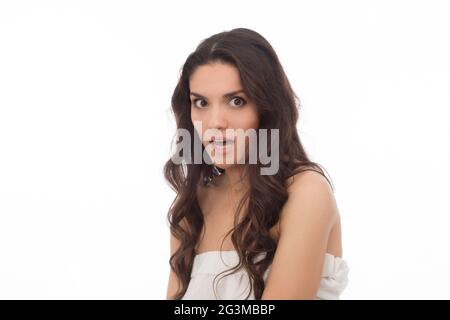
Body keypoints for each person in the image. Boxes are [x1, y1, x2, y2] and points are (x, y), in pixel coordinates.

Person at [164, 28, 349, 300]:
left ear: (267, 107)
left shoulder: (306, 193)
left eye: (236, 101)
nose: (215, 122)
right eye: (201, 102)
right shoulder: (194, 202)